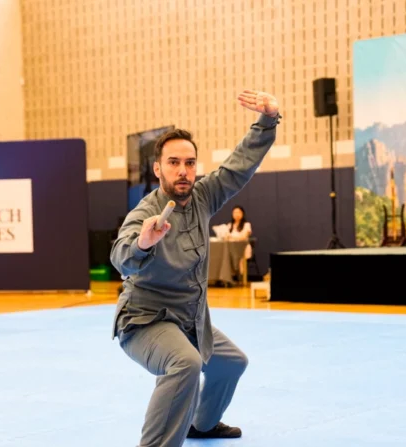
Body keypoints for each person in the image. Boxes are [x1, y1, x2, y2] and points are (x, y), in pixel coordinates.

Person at [110, 89, 280, 447]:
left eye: (189, 162)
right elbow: (120, 255)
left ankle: (201, 424)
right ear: (158, 168)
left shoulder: (203, 196)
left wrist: (266, 121)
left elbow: (239, 165)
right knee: (185, 363)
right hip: (145, 321)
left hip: (191, 321)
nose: (183, 170)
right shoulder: (145, 213)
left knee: (232, 363)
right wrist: (143, 242)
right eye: (174, 162)